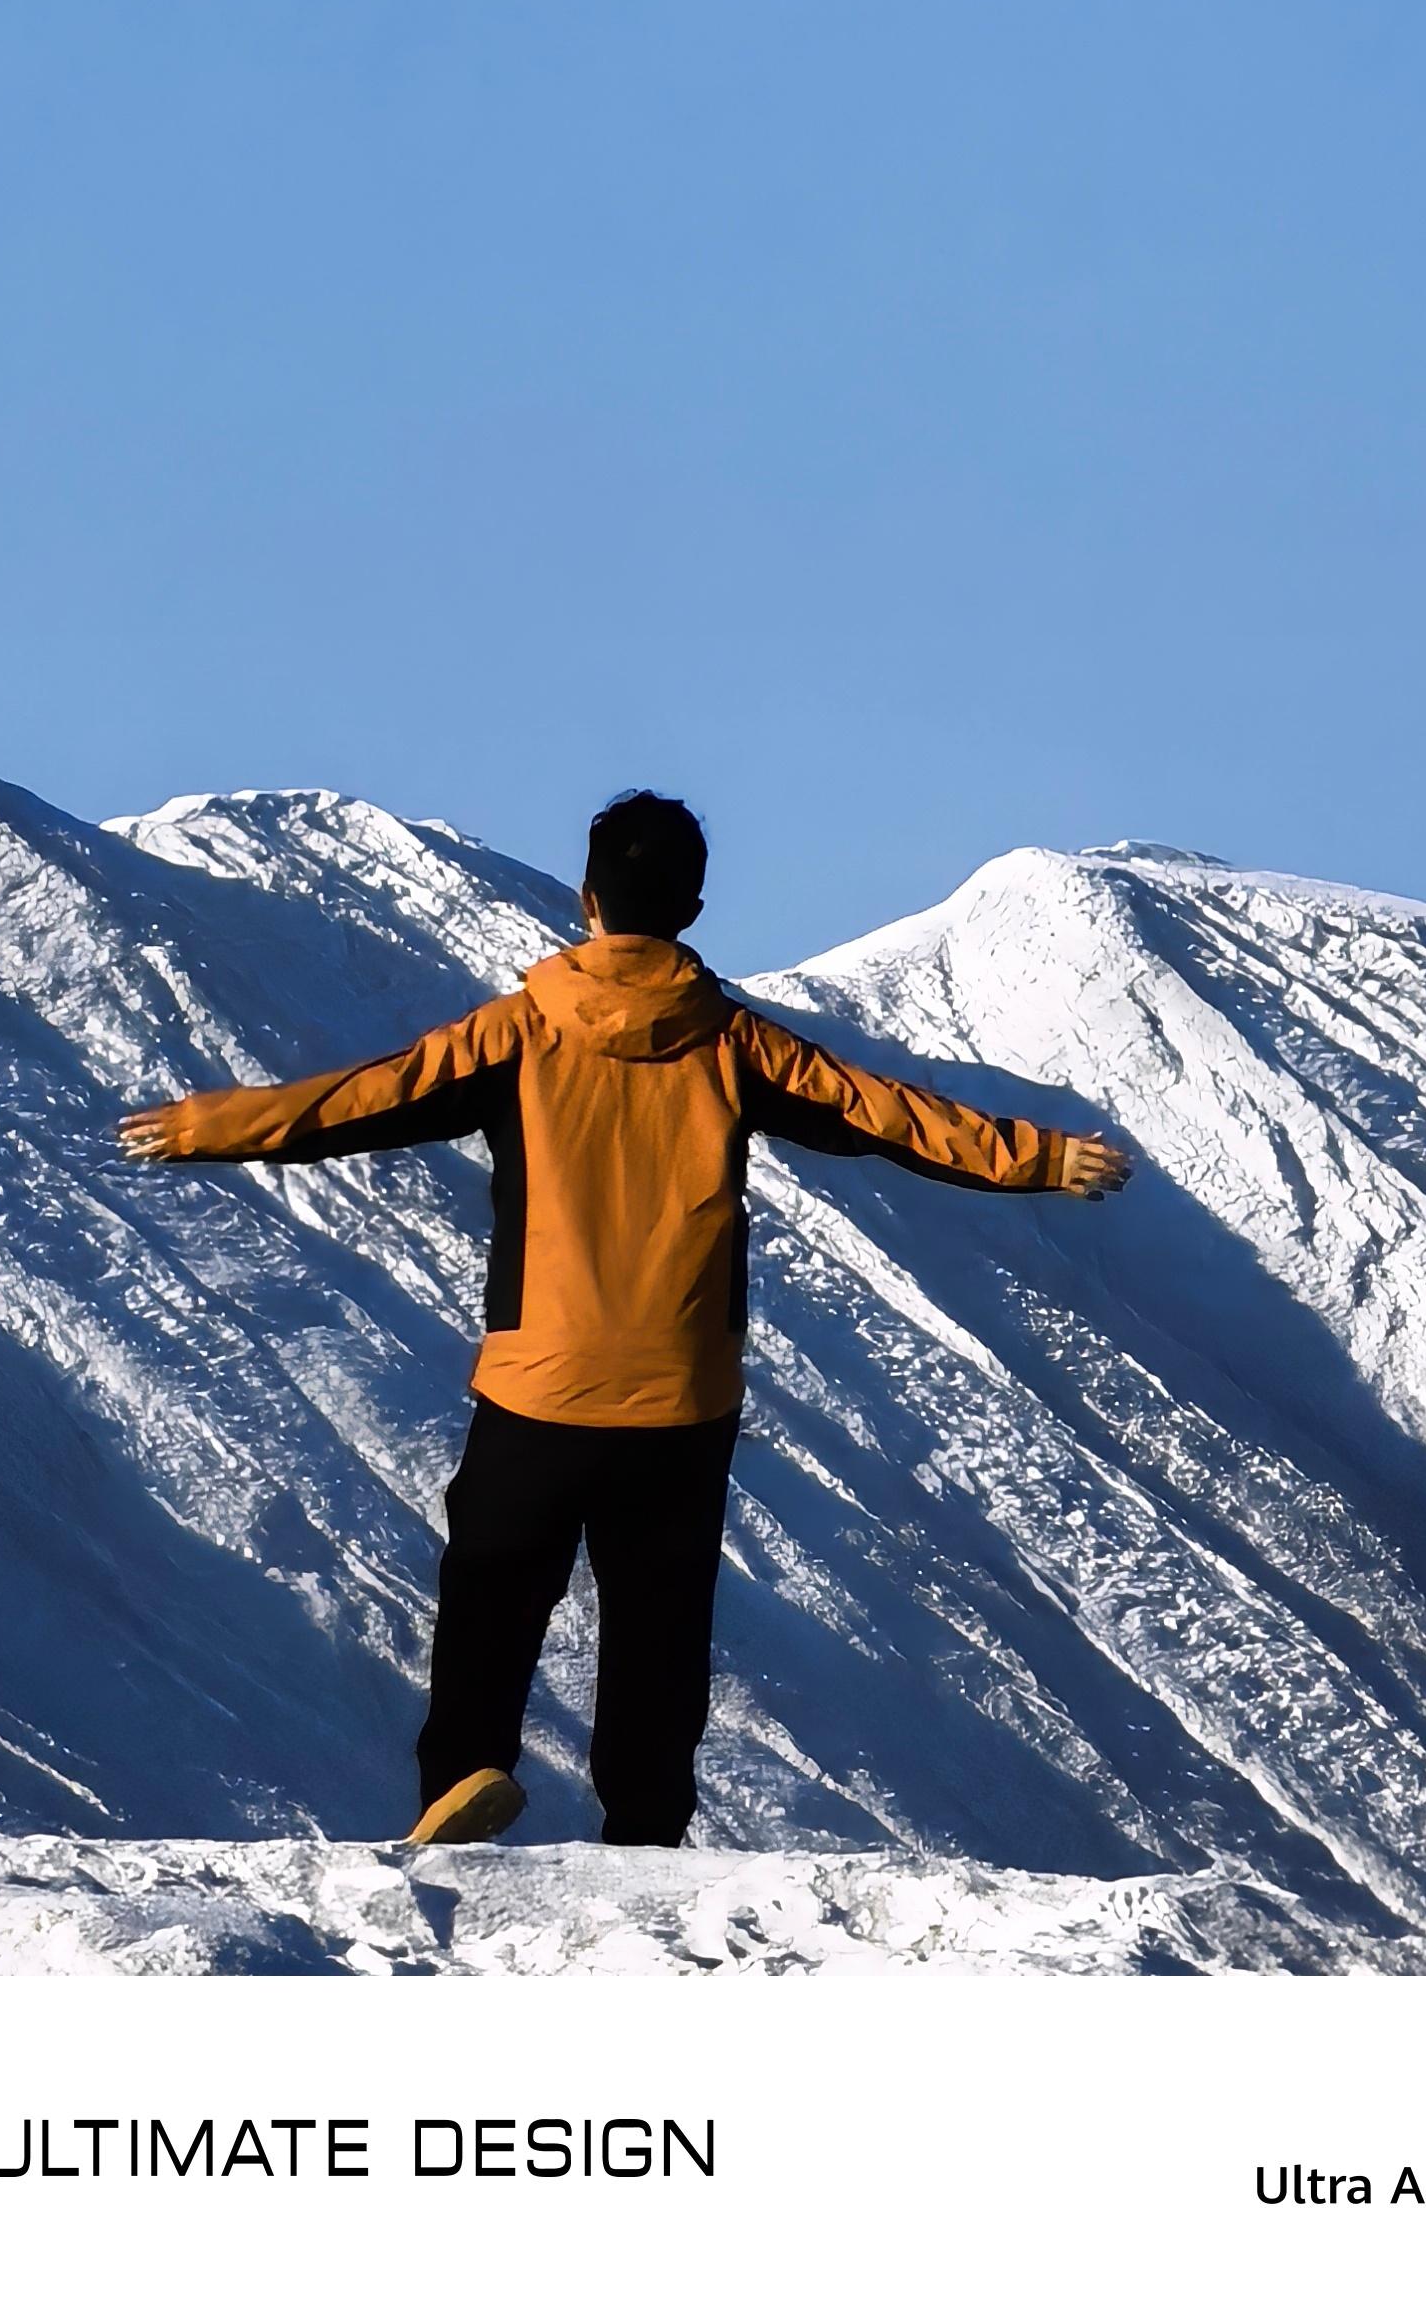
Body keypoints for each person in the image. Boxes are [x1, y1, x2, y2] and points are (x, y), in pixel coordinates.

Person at [120, 784, 1131, 1850]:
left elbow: (368, 1098)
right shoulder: (738, 1045)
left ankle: (467, 1774)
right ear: (690, 908)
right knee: (659, 1626)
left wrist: (207, 1126)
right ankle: (643, 1829)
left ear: (586, 896)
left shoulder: (514, 1034)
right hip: (679, 1399)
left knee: (491, 1595)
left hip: (539, 1382)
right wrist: (1044, 1158)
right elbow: (886, 1115)